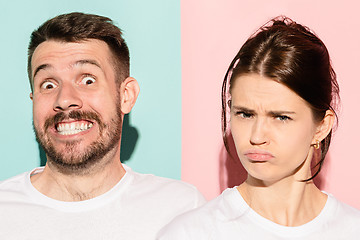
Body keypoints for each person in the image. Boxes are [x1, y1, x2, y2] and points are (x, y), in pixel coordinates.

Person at [0, 12, 205, 239]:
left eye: (88, 80)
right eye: (48, 85)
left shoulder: (182, 210)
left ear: (126, 96)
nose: (64, 99)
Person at [157, 16, 360, 239]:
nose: (256, 136)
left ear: (322, 127)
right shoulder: (191, 233)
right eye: (245, 114)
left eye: (281, 117)